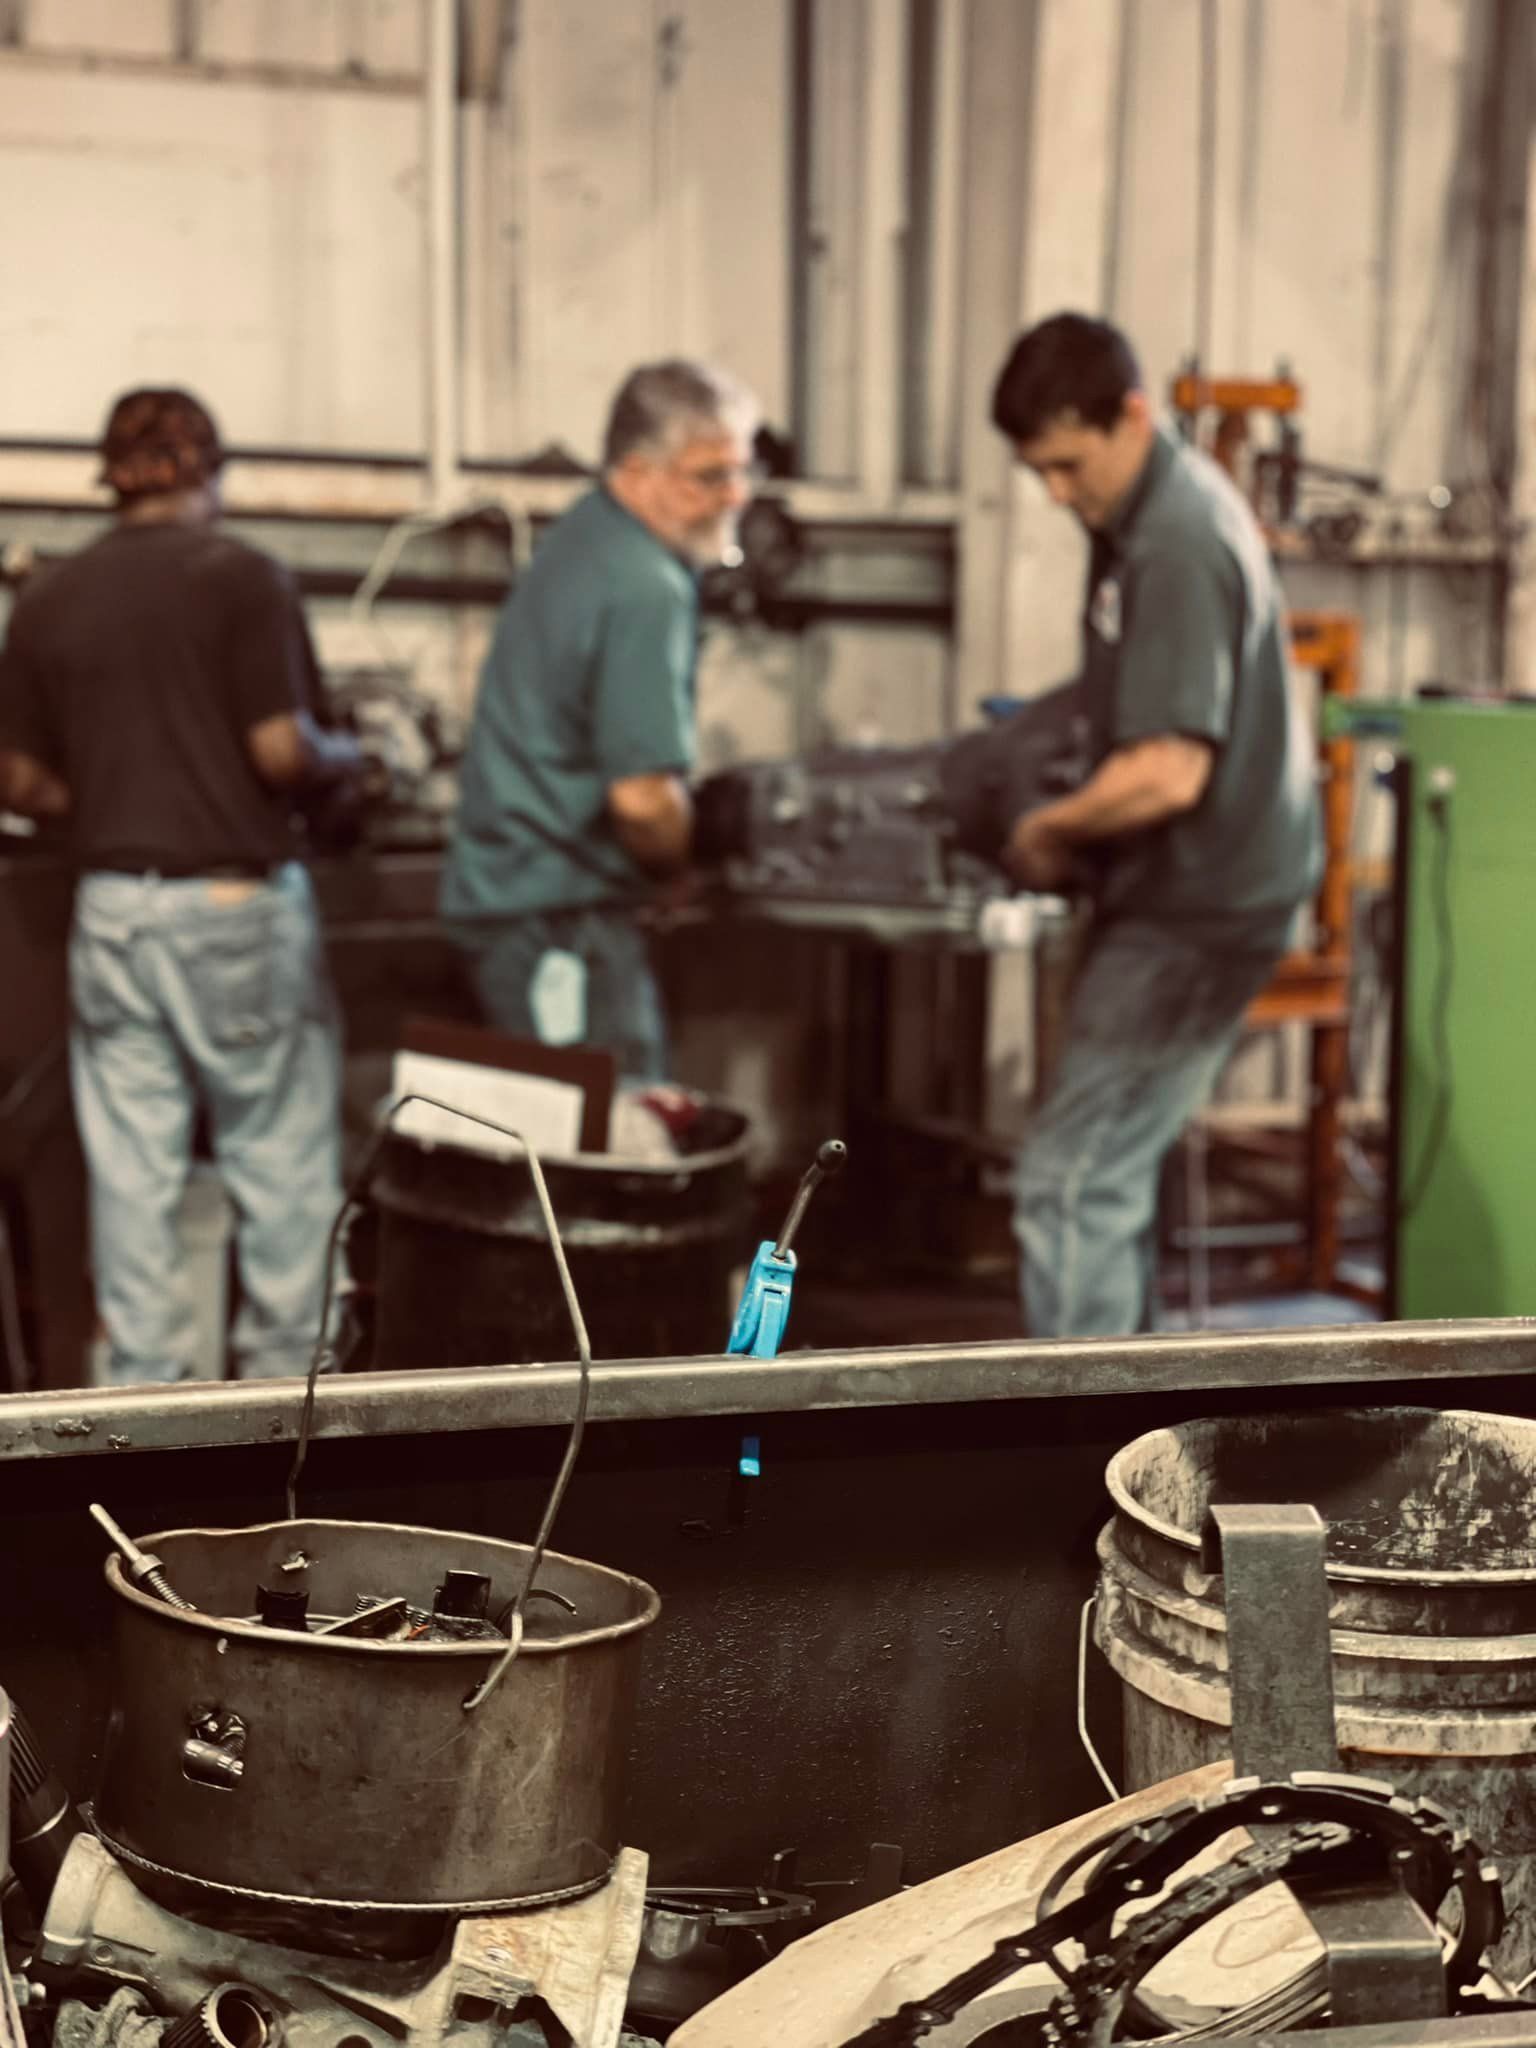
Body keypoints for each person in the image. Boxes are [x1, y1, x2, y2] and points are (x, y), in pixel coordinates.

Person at [0, 386, 364, 1384]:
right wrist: (356, 753)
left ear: (113, 480)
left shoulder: (50, 596)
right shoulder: (242, 576)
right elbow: (282, 749)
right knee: (279, 1166)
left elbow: (18, 779)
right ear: (211, 473)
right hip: (235, 906)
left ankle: (145, 1412)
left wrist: (110, 803)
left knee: (133, 1176)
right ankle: (289, 1406)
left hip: (114, 910)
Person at [990, 314, 1322, 1338]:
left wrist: (1047, 831)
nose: (1056, 493)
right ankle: (1132, 1412)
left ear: (1132, 415)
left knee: (1072, 1183)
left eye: (1068, 464)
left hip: (1201, 909)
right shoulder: (1134, 519)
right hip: (1182, 895)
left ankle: (1077, 1425)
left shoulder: (1178, 539)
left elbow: (1168, 772)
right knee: (1108, 1174)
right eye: (1038, 472)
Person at [440, 359, 759, 1079]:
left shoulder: (584, 536)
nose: (735, 496)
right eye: (709, 476)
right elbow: (643, 801)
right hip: (561, 917)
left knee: (550, 1124)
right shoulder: (647, 584)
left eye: (743, 472)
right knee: (615, 1130)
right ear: (638, 471)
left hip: (512, 902)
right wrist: (677, 867)